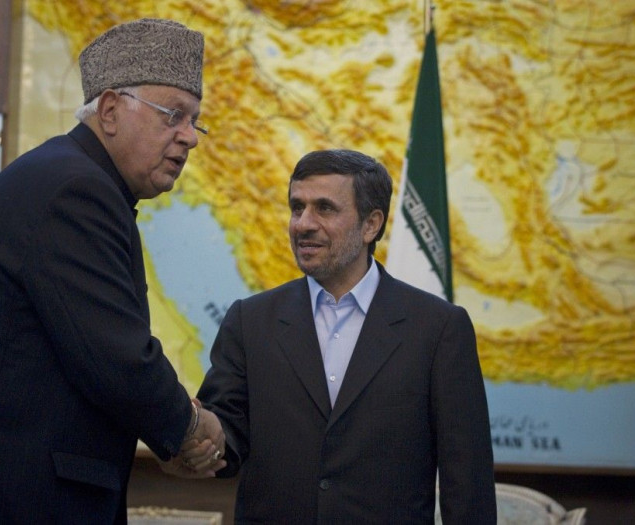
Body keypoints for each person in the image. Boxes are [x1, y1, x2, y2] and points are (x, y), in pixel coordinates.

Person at [0, 18, 225, 523]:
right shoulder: (75, 191)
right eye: (173, 116)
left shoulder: (67, 177)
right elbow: (116, 357)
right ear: (110, 110)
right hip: (9, 495)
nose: (190, 138)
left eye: (195, 120)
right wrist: (188, 428)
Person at [193, 149, 497, 523]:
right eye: (297, 207)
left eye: (324, 208)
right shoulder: (250, 321)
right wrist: (195, 432)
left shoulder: (437, 329)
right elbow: (226, 439)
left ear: (371, 225)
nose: (303, 223)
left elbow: (467, 480)